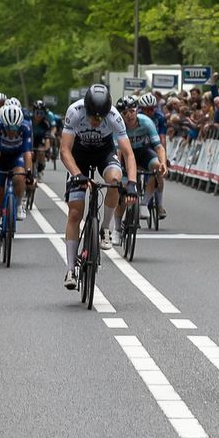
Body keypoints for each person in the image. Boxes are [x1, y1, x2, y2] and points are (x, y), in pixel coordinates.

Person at [58, 84, 137, 290]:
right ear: (86, 109)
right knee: (75, 212)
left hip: (104, 153)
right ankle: (70, 269)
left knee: (114, 180)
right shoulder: (74, 112)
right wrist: (77, 175)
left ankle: (105, 229)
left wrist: (132, 185)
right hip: (79, 156)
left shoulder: (114, 116)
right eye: (93, 116)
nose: (96, 121)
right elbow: (65, 150)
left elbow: (128, 154)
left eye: (100, 118)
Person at [115, 96, 168, 244]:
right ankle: (117, 228)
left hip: (143, 152)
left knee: (156, 168)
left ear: (137, 110)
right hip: (126, 155)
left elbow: (159, 147)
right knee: (123, 192)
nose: (129, 115)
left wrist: (163, 163)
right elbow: (118, 153)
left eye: (132, 111)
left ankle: (144, 203)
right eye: (125, 113)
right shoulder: (118, 125)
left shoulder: (146, 122)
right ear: (120, 115)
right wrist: (119, 171)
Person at [0, 102, 34, 253]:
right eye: (9, 128)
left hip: (17, 156)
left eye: (15, 128)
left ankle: (19, 205)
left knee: (20, 176)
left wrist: (29, 172)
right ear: (3, 124)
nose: (12, 131)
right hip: (1, 157)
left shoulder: (25, 127)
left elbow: (27, 153)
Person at [138, 92, 169, 219]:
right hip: (141, 146)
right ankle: (135, 204)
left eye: (151, 109)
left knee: (159, 174)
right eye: (145, 109)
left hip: (154, 146)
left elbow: (162, 138)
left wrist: (164, 159)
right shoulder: (137, 117)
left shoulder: (160, 117)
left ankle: (160, 205)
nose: (149, 112)